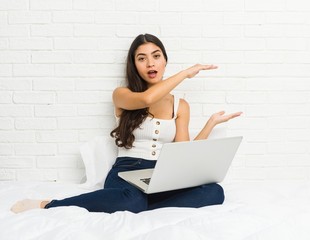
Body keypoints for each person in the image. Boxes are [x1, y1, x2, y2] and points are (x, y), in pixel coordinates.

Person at [11, 33, 242, 214]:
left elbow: (185, 153)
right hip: (126, 171)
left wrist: (210, 123)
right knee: (131, 198)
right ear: (134, 64)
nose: (150, 63)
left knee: (214, 192)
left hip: (162, 173)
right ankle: (49, 204)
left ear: (165, 60)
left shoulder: (180, 105)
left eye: (156, 55)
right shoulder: (123, 94)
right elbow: (147, 98)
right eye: (142, 58)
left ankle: (142, 204)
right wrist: (185, 73)